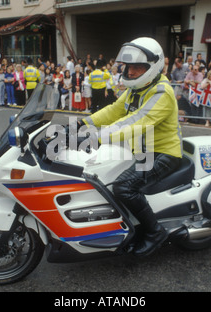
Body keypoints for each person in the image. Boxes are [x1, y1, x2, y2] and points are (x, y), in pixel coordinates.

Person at [79, 37, 183, 256]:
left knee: (124, 187)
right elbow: (113, 111)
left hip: (163, 153)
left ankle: (155, 232)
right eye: (129, 66)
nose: (131, 71)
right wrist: (82, 123)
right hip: (141, 151)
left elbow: (136, 121)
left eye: (138, 67)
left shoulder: (161, 92)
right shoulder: (136, 89)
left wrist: (96, 137)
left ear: (152, 67)